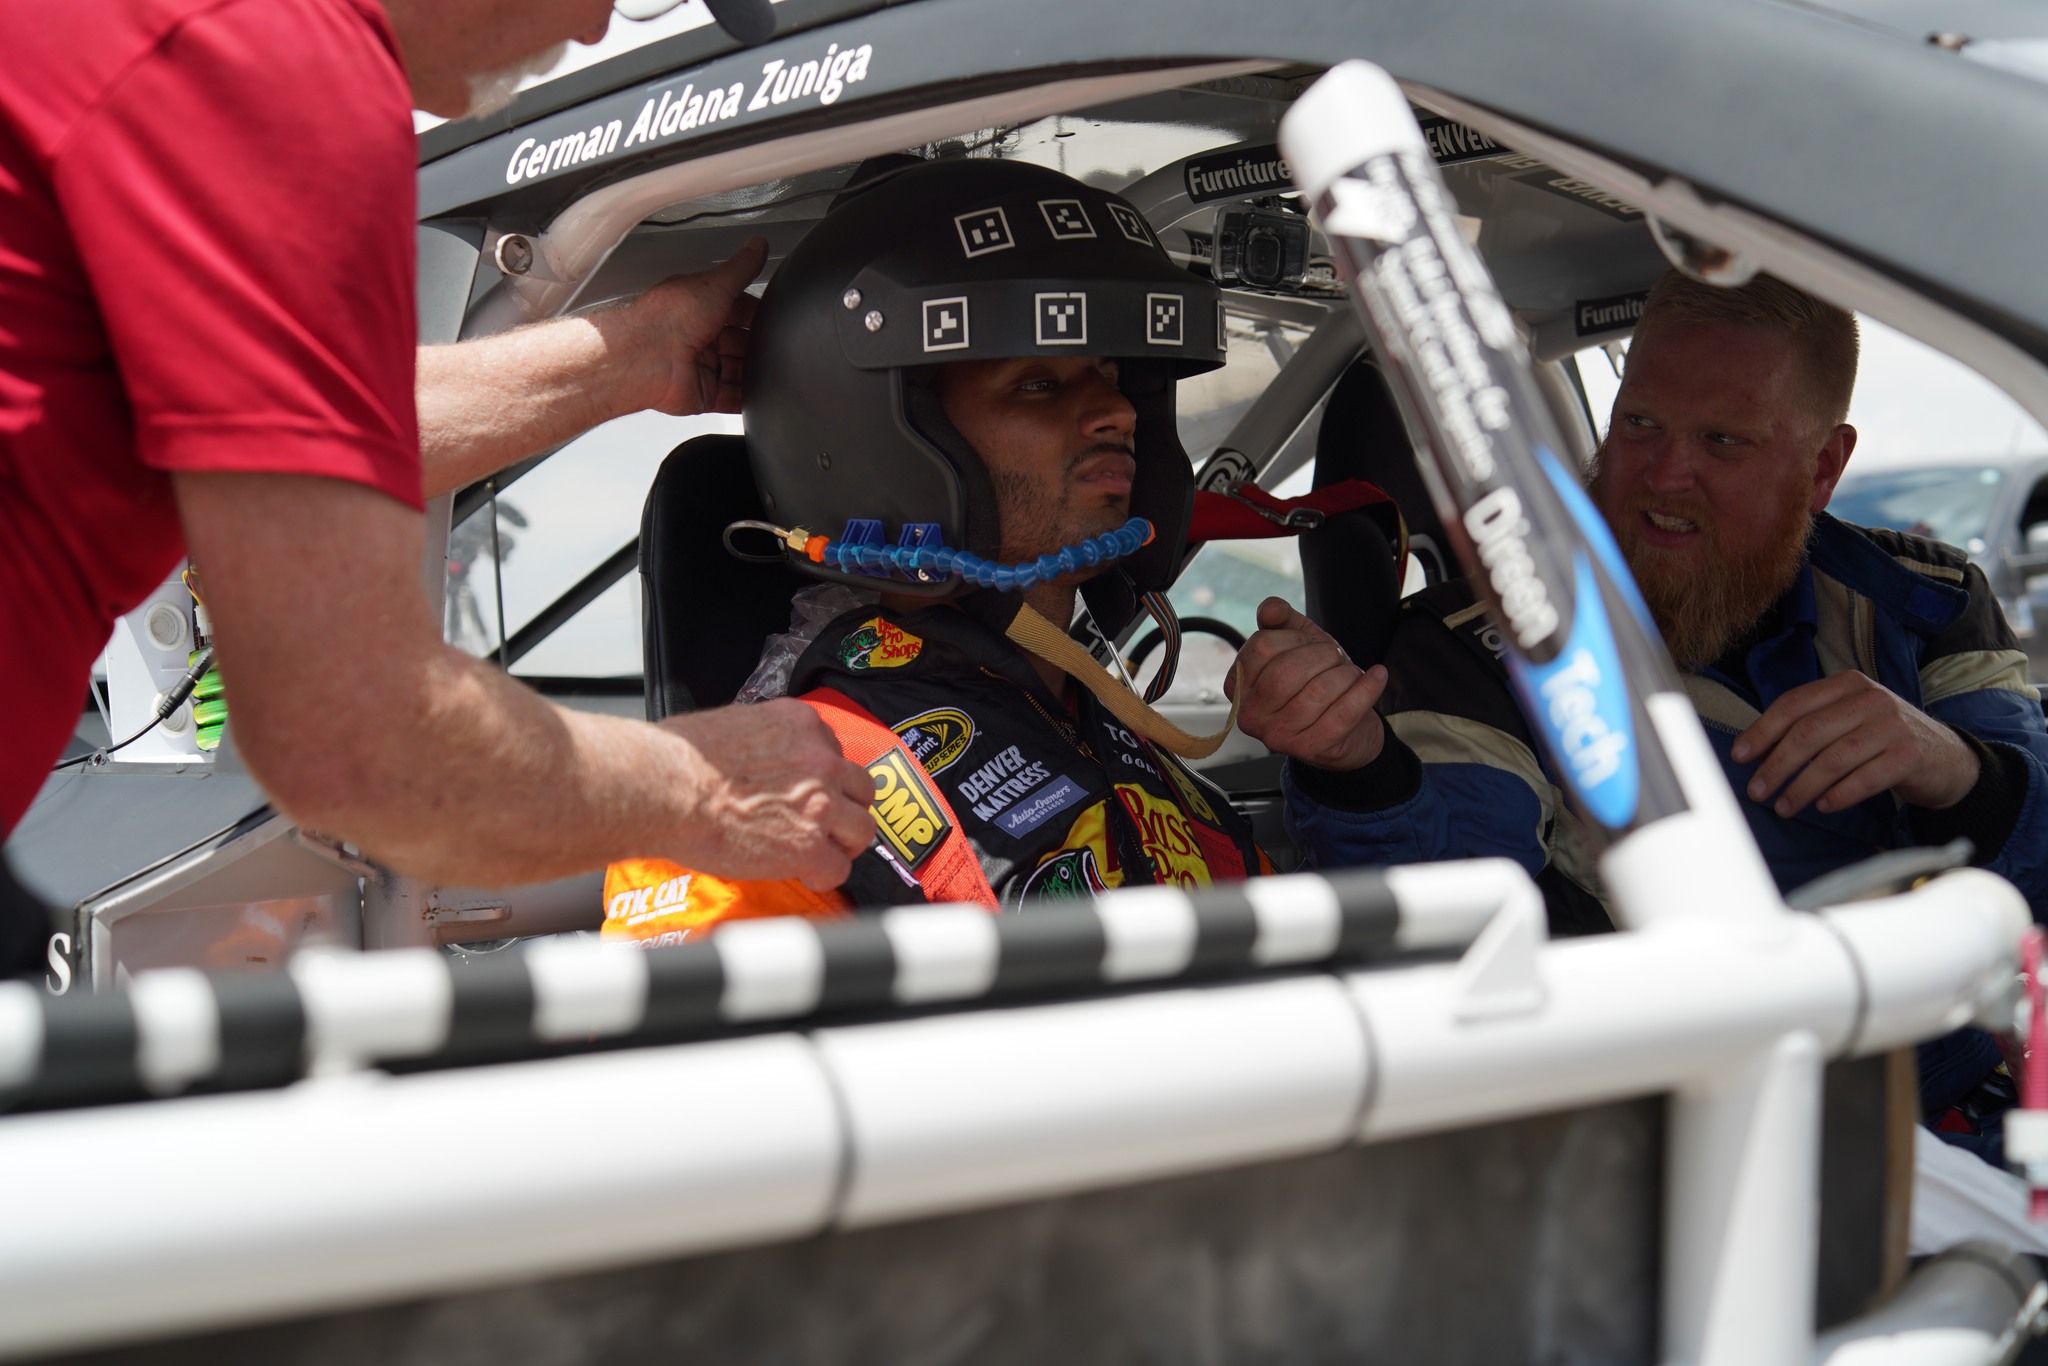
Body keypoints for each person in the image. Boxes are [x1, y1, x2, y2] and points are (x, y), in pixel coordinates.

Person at [0, 0, 876, 978]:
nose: (593, 33)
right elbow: (351, 741)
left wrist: (632, 353)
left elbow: (286, 420)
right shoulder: (268, 63)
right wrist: (706, 791)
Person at [1234, 269, 2048, 1154]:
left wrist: (1957, 771)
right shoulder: (1479, 645)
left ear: (1823, 467)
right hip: (1686, 1135)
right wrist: (1357, 768)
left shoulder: (1922, 602)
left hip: (1961, 1106)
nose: (1665, 474)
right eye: (1641, 424)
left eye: (1723, 441)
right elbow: (1454, 896)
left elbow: (2037, 849)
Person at [602, 158, 1269, 943]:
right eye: (1038, 384)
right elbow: (680, 1063)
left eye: (1111, 374)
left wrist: (1358, 780)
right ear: (885, 449)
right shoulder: (765, 801)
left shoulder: (1108, 733)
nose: (1117, 411)